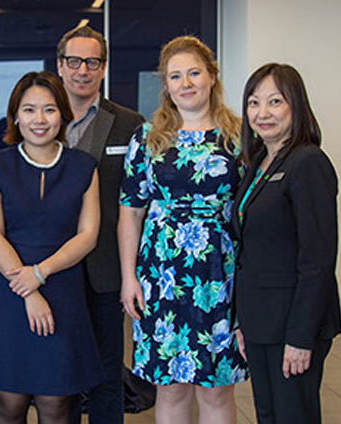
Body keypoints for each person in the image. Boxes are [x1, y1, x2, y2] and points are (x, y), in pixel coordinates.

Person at [117, 35, 248, 424]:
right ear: (166, 84)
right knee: (170, 388)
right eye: (176, 76)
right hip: (162, 277)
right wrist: (129, 279)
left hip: (220, 276)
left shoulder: (240, 137)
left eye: (194, 73)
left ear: (212, 77)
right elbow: (130, 213)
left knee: (216, 388)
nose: (186, 83)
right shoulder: (147, 138)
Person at [0, 70, 102, 424]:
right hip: (10, 291)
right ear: (15, 116)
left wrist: (40, 274)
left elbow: (88, 235)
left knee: (55, 404)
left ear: (62, 114)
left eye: (49, 109)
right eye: (29, 110)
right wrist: (28, 290)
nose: (39, 120)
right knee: (9, 404)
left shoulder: (84, 166)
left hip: (62, 290)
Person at [232, 63, 341, 424]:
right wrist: (242, 321)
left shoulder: (307, 162)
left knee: (294, 416)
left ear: (296, 105)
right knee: (268, 415)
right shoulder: (259, 162)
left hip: (293, 323)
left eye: (275, 101)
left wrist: (301, 336)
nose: (262, 113)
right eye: (253, 103)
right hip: (261, 320)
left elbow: (319, 259)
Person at [56, 25, 146, 424]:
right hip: (53, 269)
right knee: (60, 375)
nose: (82, 70)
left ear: (104, 68)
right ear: (60, 66)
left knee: (107, 374)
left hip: (106, 271)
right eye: (74, 61)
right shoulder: (42, 117)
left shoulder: (130, 124)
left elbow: (139, 200)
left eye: (92, 62)